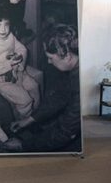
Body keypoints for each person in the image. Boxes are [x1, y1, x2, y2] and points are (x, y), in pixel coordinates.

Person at [6, 24, 81, 152]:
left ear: (67, 56)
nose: (49, 62)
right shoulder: (77, 69)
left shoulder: (82, 84)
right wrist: (29, 120)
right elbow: (60, 97)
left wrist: (23, 145)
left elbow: (66, 131)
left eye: (51, 58)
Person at [0, 6, 40, 120]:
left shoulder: (10, 35)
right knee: (25, 99)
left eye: (6, 24)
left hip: (16, 71)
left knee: (34, 86)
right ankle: (24, 119)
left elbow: (22, 49)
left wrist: (19, 60)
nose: (3, 29)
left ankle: (35, 115)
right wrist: (9, 64)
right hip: (0, 80)